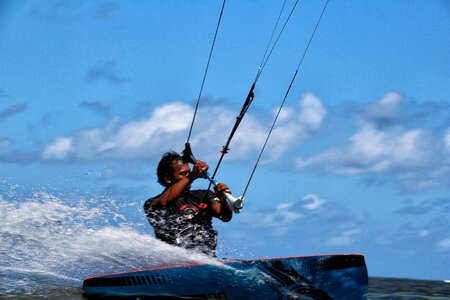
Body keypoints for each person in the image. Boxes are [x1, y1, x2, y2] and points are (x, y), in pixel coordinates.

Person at [144, 151, 233, 256]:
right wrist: (192, 175)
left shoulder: (204, 196)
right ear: (167, 178)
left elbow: (225, 217)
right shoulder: (152, 203)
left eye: (189, 172)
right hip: (173, 261)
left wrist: (223, 200)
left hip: (206, 261)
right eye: (183, 174)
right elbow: (164, 202)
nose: (188, 176)